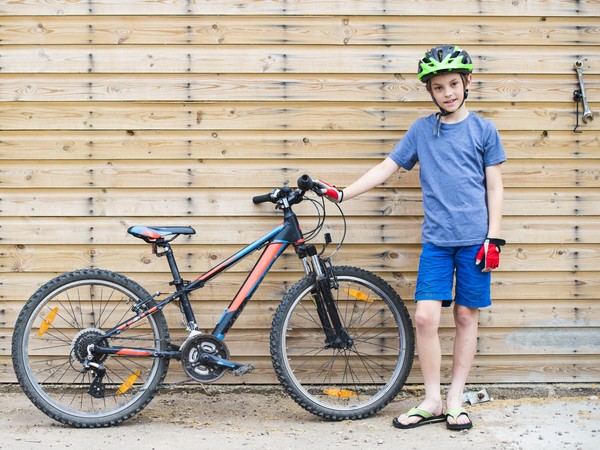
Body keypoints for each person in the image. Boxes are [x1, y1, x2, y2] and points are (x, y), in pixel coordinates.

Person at [315, 45, 506, 431]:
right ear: (430, 92)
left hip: (475, 242)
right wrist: (343, 193)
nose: (447, 92)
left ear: (467, 83)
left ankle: (455, 399)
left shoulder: (484, 129)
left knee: (466, 316)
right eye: (439, 87)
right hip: (436, 241)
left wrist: (494, 239)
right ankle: (432, 399)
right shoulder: (422, 130)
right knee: (424, 318)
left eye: (454, 84)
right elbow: (386, 168)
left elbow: (495, 187)